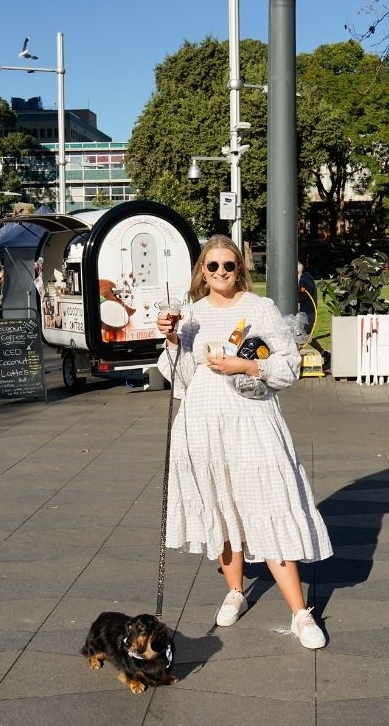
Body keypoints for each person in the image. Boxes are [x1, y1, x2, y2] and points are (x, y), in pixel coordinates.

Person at [156, 235, 333, 649]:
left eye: (228, 266)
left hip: (252, 420)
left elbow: (289, 366)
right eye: (212, 266)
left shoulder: (260, 309)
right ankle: (234, 590)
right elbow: (180, 380)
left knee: (269, 503)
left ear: (240, 270)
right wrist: (170, 339)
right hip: (201, 421)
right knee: (220, 503)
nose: (220, 273)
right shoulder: (191, 315)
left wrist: (246, 365)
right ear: (202, 270)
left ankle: (300, 613)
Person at [297, 262, 328, 363]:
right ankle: (324, 353)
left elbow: (301, 297)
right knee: (304, 336)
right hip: (309, 312)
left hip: (307, 313)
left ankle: (324, 353)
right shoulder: (307, 277)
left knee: (303, 336)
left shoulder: (303, 281)